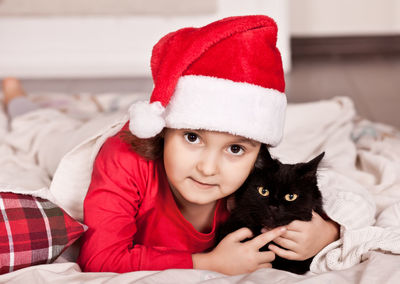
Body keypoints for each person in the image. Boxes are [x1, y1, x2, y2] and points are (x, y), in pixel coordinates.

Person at [1, 15, 339, 276]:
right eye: (192, 137)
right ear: (164, 133)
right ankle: (18, 99)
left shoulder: (256, 176)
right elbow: (99, 257)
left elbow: (346, 192)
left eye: (235, 148)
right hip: (86, 141)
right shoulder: (123, 158)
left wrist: (328, 231)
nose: (208, 168)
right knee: (42, 131)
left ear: (258, 153)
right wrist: (207, 263)